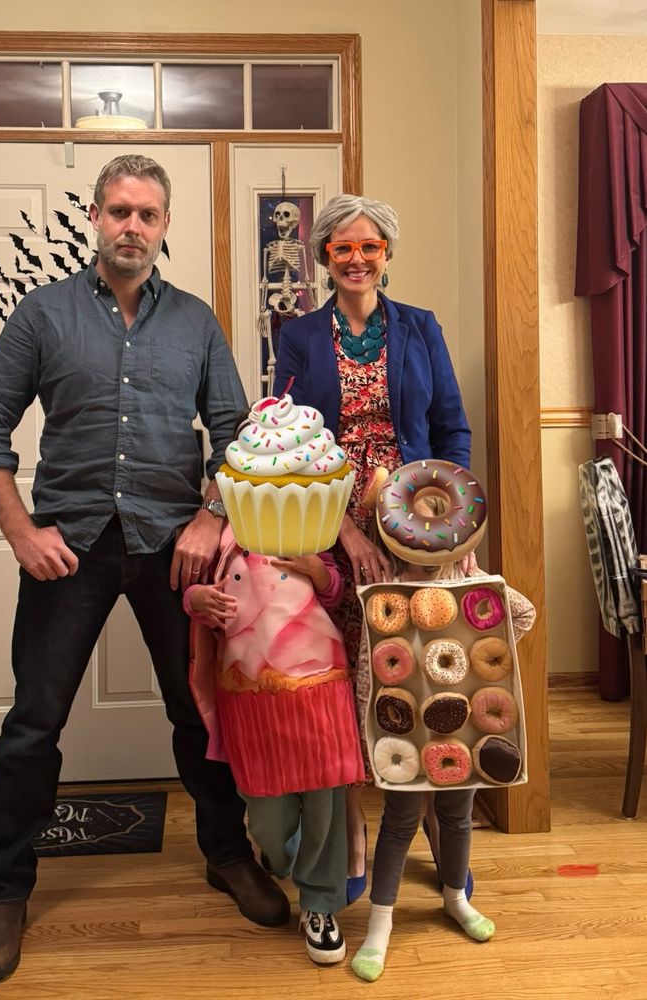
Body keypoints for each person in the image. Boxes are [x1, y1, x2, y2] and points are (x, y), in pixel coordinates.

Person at [0, 154, 289, 985]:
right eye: (117, 211)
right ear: (95, 220)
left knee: (197, 710)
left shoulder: (196, 322)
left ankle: (226, 852)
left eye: (146, 214)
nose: (131, 227)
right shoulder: (43, 316)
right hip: (68, 547)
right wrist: (20, 531)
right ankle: (4, 887)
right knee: (34, 719)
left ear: (165, 225)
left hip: (173, 547)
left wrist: (213, 514)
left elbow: (238, 433)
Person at [272, 194, 471, 901]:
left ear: (387, 254)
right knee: (351, 688)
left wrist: (452, 525)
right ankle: (356, 832)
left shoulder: (419, 328)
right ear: (325, 257)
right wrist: (347, 532)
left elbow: (451, 429)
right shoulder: (297, 336)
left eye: (370, 247)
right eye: (342, 248)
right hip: (334, 527)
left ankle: (433, 831)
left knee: (422, 677)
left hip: (420, 525)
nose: (356, 259)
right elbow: (293, 440)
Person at [185, 507, 365, 965]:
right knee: (265, 812)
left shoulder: (307, 521)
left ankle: (320, 904)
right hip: (248, 692)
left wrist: (316, 573)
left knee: (325, 799)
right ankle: (283, 855)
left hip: (318, 683)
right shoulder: (218, 537)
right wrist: (196, 601)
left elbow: (337, 590)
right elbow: (194, 597)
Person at [351, 544, 535, 982]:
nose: (430, 552)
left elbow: (523, 614)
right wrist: (367, 731)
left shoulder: (466, 583)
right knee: (398, 822)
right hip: (402, 725)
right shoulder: (387, 591)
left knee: (456, 816)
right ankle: (380, 921)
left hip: (464, 723)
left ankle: (456, 898)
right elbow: (367, 664)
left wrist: (483, 586)